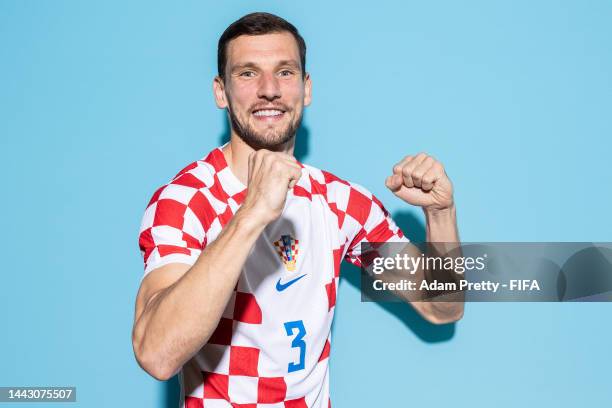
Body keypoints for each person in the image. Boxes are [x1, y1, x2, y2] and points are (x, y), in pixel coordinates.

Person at [132, 12, 463, 408]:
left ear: (306, 89)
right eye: (248, 73)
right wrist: (251, 213)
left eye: (285, 72)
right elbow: (157, 354)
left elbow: (442, 306)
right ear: (221, 92)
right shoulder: (187, 200)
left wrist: (441, 214)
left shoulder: (339, 203)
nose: (269, 90)